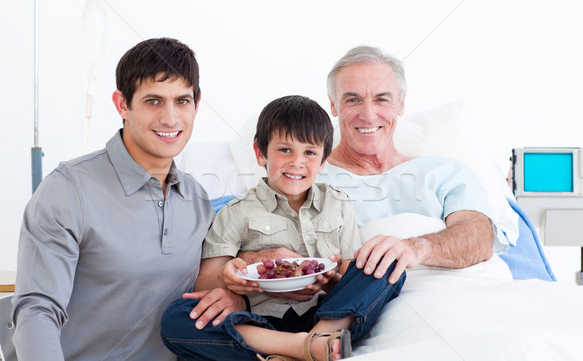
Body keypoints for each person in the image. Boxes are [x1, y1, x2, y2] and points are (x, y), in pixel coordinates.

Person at [11, 37, 245, 361]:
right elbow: (36, 312)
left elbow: (211, 284)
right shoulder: (67, 191)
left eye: (182, 101)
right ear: (122, 104)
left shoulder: (197, 198)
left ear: (197, 104)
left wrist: (235, 300)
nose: (170, 118)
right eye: (153, 101)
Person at [161, 95, 406, 361]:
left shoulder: (338, 204)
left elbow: (351, 279)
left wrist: (328, 281)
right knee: (178, 317)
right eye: (285, 150)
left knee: (388, 262)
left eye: (310, 152)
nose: (297, 162)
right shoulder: (236, 211)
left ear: (324, 161)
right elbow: (204, 281)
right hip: (259, 323)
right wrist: (229, 278)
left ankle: (313, 342)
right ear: (259, 153)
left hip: (326, 315)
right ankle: (301, 348)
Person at [315, 45, 510, 283]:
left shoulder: (445, 172)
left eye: (381, 99)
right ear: (334, 105)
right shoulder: (308, 181)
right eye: (353, 99)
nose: (368, 115)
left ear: (401, 104)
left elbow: (479, 238)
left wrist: (416, 248)